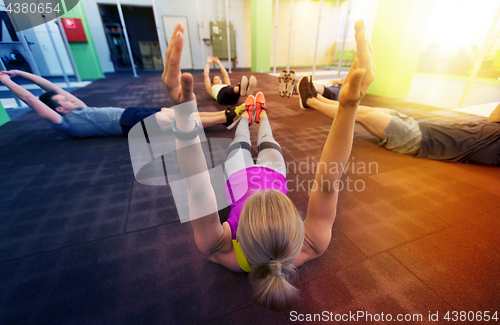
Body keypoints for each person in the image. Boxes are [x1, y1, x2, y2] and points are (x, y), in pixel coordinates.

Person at [162, 20, 375, 310]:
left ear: (240, 235)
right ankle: (258, 113)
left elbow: (198, 188)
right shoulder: (309, 244)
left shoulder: (223, 250)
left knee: (240, 132)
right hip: (272, 171)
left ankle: (246, 115)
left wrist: (185, 118)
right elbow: (329, 181)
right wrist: (349, 106)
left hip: (241, 174)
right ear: (296, 229)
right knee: (266, 135)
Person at [297, 75, 500, 165]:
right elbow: (494, 117)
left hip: (416, 139)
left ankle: (311, 102)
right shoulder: (495, 128)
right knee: (366, 108)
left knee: (359, 113)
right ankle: (319, 97)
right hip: (419, 125)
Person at [0, 70, 244, 137]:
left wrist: (22, 73)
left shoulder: (79, 107)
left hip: (130, 112)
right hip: (127, 124)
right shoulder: (65, 121)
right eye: (63, 100)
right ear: (60, 109)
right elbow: (31, 99)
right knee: (178, 119)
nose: (67, 96)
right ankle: (226, 117)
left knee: (180, 112)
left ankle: (226, 117)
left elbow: (50, 88)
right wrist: (7, 82)